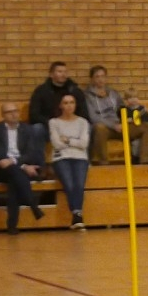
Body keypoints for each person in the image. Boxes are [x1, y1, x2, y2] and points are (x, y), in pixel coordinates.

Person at [0, 102, 45, 234]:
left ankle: (12, 225)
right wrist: (24, 166)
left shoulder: (28, 129)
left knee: (14, 181)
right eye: (9, 112)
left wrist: (17, 162)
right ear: (3, 115)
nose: (14, 114)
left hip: (17, 169)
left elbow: (31, 153)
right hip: (1, 169)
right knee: (14, 172)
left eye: (16, 111)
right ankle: (32, 204)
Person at [87, 65, 148, 165]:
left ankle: (145, 161)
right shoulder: (88, 96)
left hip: (121, 124)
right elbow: (93, 117)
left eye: (103, 76)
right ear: (92, 79)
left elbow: (122, 108)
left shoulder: (113, 93)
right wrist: (113, 125)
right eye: (97, 76)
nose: (100, 79)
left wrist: (136, 108)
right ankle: (104, 163)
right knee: (99, 128)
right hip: (106, 127)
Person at [48, 94, 91, 230]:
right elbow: (56, 143)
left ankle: (76, 215)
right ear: (61, 105)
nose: (69, 105)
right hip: (61, 157)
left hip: (80, 157)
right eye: (65, 103)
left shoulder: (83, 122)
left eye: (72, 102)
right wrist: (74, 142)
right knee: (69, 184)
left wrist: (67, 140)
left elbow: (84, 143)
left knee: (79, 184)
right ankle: (77, 214)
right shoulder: (54, 122)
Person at [28, 61, 88, 150]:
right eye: (60, 72)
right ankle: (38, 162)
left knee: (89, 127)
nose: (63, 74)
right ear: (51, 74)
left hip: (73, 127)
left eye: (65, 72)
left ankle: (86, 160)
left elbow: (84, 113)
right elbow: (34, 115)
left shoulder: (75, 91)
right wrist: (52, 123)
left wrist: (72, 122)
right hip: (49, 127)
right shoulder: (41, 91)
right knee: (37, 129)